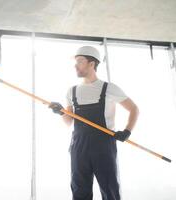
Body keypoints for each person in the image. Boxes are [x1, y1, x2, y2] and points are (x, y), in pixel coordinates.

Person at [49, 46, 139, 200]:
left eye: (79, 61)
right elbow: (68, 122)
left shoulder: (109, 88)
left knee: (110, 190)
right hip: (79, 146)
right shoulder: (72, 91)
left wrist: (127, 131)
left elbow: (134, 109)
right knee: (79, 191)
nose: (75, 65)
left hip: (103, 146)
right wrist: (61, 111)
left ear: (92, 63)